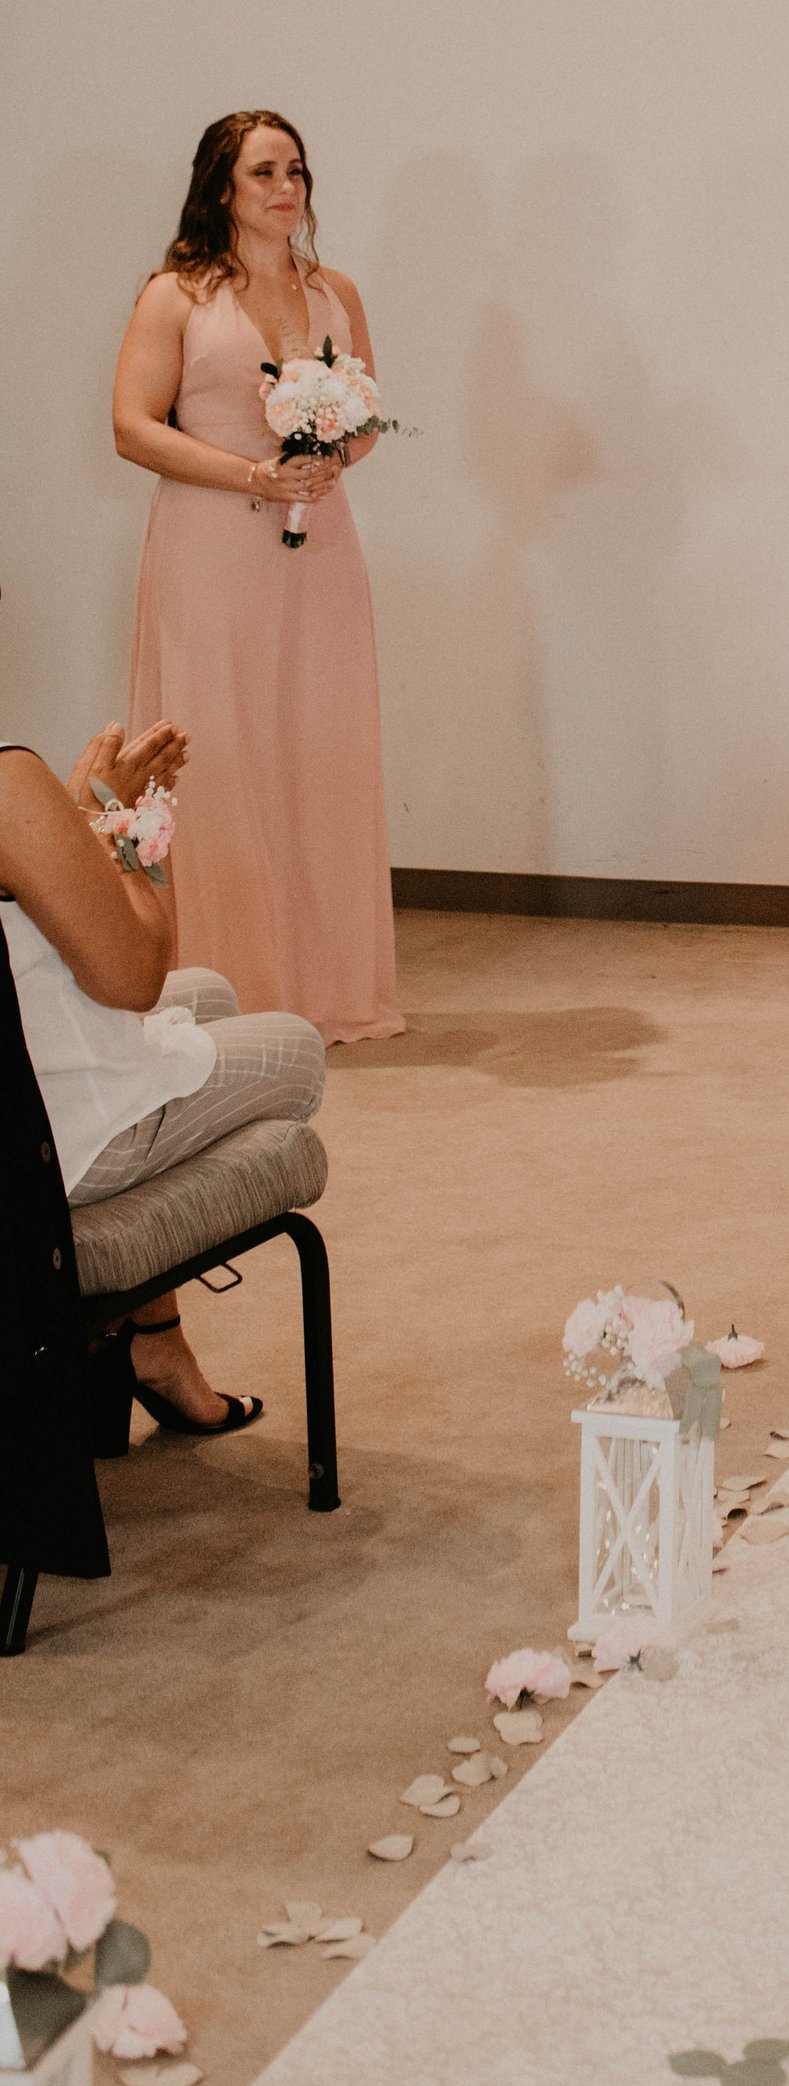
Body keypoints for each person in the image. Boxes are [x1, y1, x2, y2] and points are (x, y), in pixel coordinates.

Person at [113, 112, 400, 1044]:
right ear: (222, 188)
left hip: (319, 546)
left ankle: (327, 986)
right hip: (211, 547)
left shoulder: (335, 292)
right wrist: (252, 473)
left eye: (298, 171)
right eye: (265, 171)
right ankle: (227, 988)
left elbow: (363, 419)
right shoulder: (177, 296)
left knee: (320, 745)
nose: (287, 188)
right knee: (223, 754)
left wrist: (331, 451)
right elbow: (131, 425)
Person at [1, 719, 324, 1437]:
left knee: (209, 993)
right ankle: (138, 1332)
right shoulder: (7, 783)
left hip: (26, 1085)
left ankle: (156, 1338)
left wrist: (73, 821)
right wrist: (126, 830)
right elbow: (139, 974)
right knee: (297, 1050)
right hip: (46, 1146)